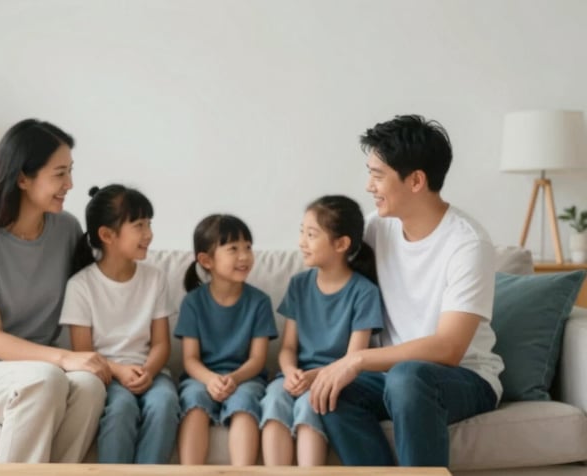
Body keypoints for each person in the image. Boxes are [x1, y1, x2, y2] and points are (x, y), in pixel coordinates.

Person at [310, 115, 503, 467]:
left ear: (415, 180)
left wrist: (356, 360)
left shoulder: (468, 244)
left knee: (407, 375)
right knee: (331, 392)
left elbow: (449, 348)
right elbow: (329, 282)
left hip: (465, 378)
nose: (369, 186)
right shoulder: (374, 229)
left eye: (378, 175)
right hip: (393, 377)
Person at [0, 119, 110, 463]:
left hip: (38, 369)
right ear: (22, 178)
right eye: (59, 174)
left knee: (89, 387)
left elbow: (92, 295)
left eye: (70, 172)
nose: (70, 184)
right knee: (44, 380)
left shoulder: (66, 229)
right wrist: (64, 359)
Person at [59, 184, 180, 464]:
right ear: (107, 235)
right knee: (121, 408)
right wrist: (120, 371)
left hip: (150, 372)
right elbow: (83, 351)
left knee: (165, 403)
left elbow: (162, 343)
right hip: (104, 374)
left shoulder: (155, 278)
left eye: (149, 224)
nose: (148, 234)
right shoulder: (81, 286)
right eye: (139, 225)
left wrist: (147, 371)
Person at [261, 195, 383, 466]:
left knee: (310, 403)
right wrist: (292, 372)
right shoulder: (298, 285)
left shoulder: (364, 293)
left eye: (311, 234)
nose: (301, 242)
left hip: (336, 378)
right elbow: (288, 348)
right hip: (297, 376)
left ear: (341, 244)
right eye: (302, 232)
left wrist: (313, 377)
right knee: (273, 399)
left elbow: (354, 359)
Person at [174, 214, 278, 466]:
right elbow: (190, 359)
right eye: (233, 249)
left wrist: (234, 379)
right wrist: (211, 380)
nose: (244, 256)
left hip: (246, 378)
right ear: (206, 260)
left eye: (248, 248)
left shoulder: (259, 302)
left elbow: (257, 359)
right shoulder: (193, 302)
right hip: (201, 378)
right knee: (195, 401)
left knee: (244, 402)